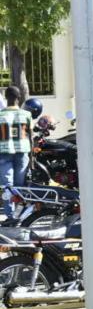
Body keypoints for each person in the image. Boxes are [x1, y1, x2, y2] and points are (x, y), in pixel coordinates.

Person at [0, 86, 31, 217]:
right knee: (20, 186)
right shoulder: (27, 114)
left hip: (4, 152)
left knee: (8, 186)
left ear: (5, 97)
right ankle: (20, 215)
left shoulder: (1, 115)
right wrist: (32, 159)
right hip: (22, 152)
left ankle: (10, 216)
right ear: (19, 98)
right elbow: (30, 136)